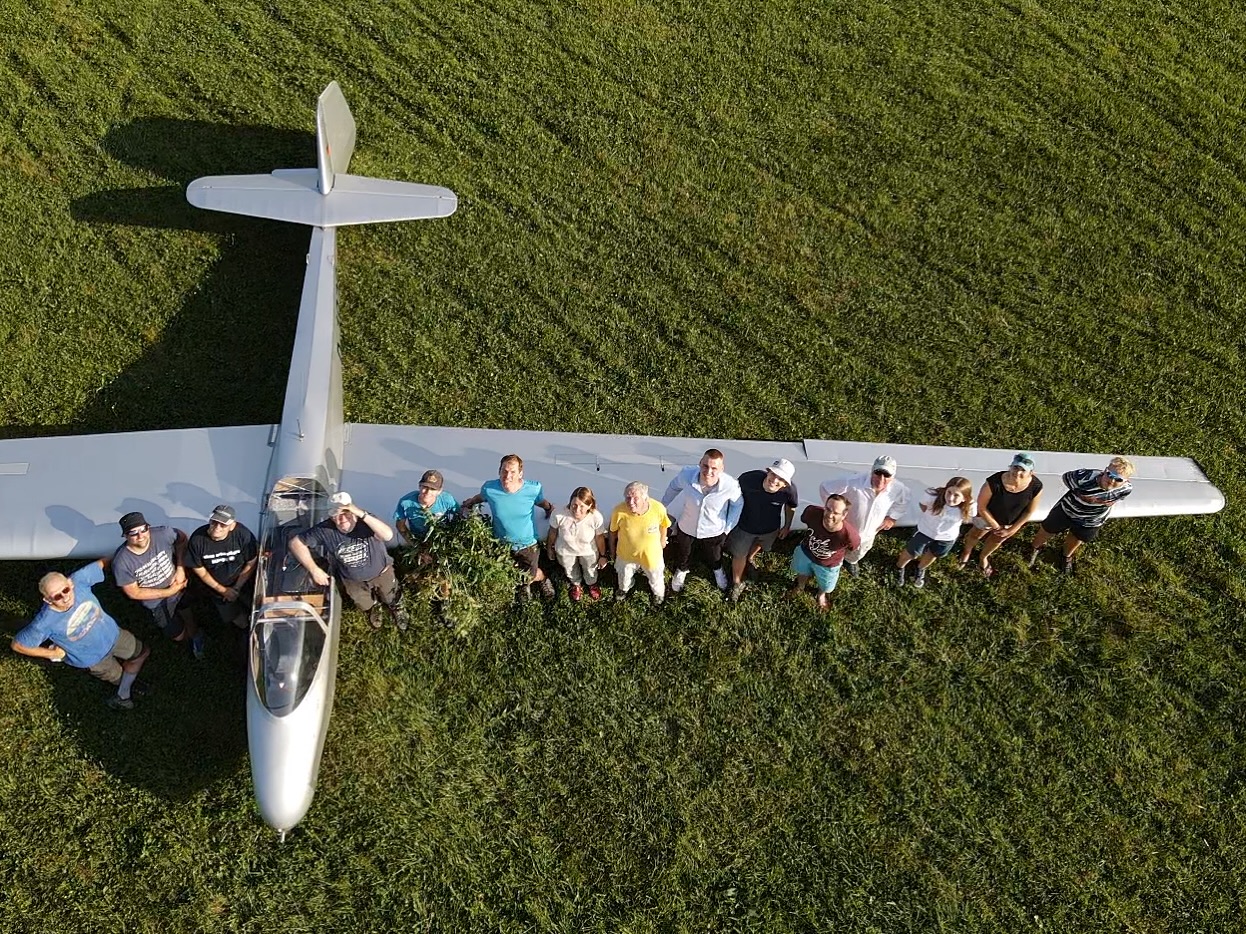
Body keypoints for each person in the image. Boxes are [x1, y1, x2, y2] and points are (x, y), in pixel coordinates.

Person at [11, 560, 151, 710]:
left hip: (114, 636)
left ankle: (129, 677)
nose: (65, 597)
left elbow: (104, 561)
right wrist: (51, 653)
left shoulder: (79, 580)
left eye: (65, 590)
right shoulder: (44, 623)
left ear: (70, 583)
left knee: (141, 652)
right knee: (117, 676)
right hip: (93, 659)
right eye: (57, 596)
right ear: (47, 600)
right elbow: (18, 645)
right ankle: (129, 687)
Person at [288, 493, 410, 630]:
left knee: (390, 595)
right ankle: (374, 607)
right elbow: (296, 543)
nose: (342, 519)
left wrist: (360, 513)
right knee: (364, 602)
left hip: (382, 573)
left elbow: (388, 535)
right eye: (336, 515)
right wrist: (314, 570)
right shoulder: (324, 530)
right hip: (353, 581)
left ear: (353, 510)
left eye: (346, 512)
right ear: (331, 517)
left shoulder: (366, 520)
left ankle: (396, 607)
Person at [460, 454, 556, 600]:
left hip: (527, 544)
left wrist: (548, 508)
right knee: (508, 570)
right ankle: (524, 585)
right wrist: (470, 503)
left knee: (530, 574)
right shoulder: (490, 488)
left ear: (520, 474)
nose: (507, 476)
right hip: (501, 543)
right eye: (504, 471)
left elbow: (540, 501)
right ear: (499, 471)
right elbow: (481, 497)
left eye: (512, 472)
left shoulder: (533, 489)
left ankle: (542, 578)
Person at [112, 512, 203, 659]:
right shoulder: (121, 562)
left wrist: (180, 568)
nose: (140, 536)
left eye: (143, 529)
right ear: (125, 536)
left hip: (178, 585)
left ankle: (195, 635)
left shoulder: (163, 533)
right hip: (156, 603)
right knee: (177, 635)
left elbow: (182, 539)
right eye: (133, 533)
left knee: (187, 609)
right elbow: (133, 592)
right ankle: (186, 637)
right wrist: (169, 592)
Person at [1028, 457, 1135, 573]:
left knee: (1077, 538)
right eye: (1109, 474)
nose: (1111, 480)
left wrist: (1104, 502)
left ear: (1125, 481)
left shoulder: (1126, 489)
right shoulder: (1084, 477)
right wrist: (1079, 493)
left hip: (1092, 520)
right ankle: (1034, 548)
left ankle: (1066, 556)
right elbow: (1066, 477)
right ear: (1105, 471)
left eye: (1118, 479)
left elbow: (1118, 497)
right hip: (1067, 510)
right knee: (1048, 529)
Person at [660, 448, 742, 593]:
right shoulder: (686, 475)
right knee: (684, 551)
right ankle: (682, 569)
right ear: (700, 463)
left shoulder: (730, 485)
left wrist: (728, 527)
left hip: (714, 529)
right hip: (687, 526)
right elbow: (674, 487)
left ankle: (717, 570)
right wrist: (662, 506)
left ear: (722, 469)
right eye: (705, 466)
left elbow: (737, 504)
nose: (708, 471)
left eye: (714, 468)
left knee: (715, 554)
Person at [819, 454, 910, 577]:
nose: (881, 479)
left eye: (887, 475)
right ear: (872, 471)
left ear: (893, 477)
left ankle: (851, 561)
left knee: (859, 551)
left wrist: (892, 518)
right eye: (878, 473)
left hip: (868, 534)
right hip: (844, 529)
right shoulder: (852, 482)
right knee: (834, 549)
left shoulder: (899, 489)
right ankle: (832, 564)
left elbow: (903, 502)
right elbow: (825, 488)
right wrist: (833, 512)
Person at [958, 453, 1044, 577]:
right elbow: (981, 507)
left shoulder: (1036, 486)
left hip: (1009, 523)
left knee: (996, 540)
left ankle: (983, 557)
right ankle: (967, 552)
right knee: (975, 534)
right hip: (986, 517)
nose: (1017, 473)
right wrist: (996, 526)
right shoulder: (994, 482)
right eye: (1015, 467)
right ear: (1010, 467)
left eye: (1023, 470)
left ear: (1031, 473)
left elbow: (1029, 511)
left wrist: (1013, 529)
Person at [726, 458, 798, 602]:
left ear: (785, 484)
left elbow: (791, 506)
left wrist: (787, 526)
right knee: (739, 554)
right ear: (768, 471)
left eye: (781, 479)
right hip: (744, 526)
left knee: (760, 544)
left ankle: (750, 558)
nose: (774, 480)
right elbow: (731, 496)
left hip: (770, 529)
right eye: (773, 474)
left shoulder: (790, 491)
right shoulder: (748, 479)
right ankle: (737, 582)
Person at [186, 504, 258, 629]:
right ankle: (243, 629)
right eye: (214, 522)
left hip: (245, 582)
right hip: (216, 588)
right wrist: (222, 590)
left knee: (254, 606)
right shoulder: (197, 539)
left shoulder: (243, 535)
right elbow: (199, 569)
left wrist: (237, 587)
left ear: (232, 526)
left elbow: (251, 562)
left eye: (223, 524)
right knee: (234, 616)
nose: (217, 527)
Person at [896, 477, 976, 588]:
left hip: (947, 538)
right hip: (925, 531)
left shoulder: (970, 506)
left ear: (964, 498)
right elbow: (923, 506)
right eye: (949, 492)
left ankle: (920, 568)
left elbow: (970, 516)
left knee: (933, 554)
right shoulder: (932, 496)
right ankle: (899, 567)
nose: (950, 498)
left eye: (956, 495)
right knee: (912, 552)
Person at [788, 494, 859, 611]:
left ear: (844, 515)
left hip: (829, 564)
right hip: (806, 551)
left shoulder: (850, 536)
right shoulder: (812, 512)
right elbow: (804, 518)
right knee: (802, 571)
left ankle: (821, 595)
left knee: (826, 585)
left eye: (836, 513)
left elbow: (853, 547)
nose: (830, 515)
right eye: (828, 509)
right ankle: (800, 586)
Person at [609, 481, 671, 605]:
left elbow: (664, 524)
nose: (631, 502)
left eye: (635, 498)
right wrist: (612, 551)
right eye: (628, 498)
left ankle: (658, 594)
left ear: (645, 497)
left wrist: (662, 540)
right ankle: (624, 589)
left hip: (652, 555)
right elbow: (612, 531)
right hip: (626, 554)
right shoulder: (618, 511)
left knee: (655, 577)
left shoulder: (658, 508)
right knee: (624, 576)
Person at [545, 487, 607, 602]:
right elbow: (553, 532)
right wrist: (549, 548)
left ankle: (591, 583)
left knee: (590, 569)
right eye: (574, 505)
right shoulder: (558, 514)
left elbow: (599, 537)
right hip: (565, 551)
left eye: (582, 506)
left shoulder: (596, 517)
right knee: (570, 569)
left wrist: (603, 556)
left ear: (590, 505)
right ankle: (576, 584)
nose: (577, 510)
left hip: (588, 551)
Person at [393, 469, 459, 550]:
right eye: (425, 487)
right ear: (419, 486)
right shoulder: (406, 502)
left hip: (443, 539)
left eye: (433, 489)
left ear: (439, 491)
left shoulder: (446, 499)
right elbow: (400, 526)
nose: (428, 492)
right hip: (419, 539)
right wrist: (416, 545)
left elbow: (459, 514)